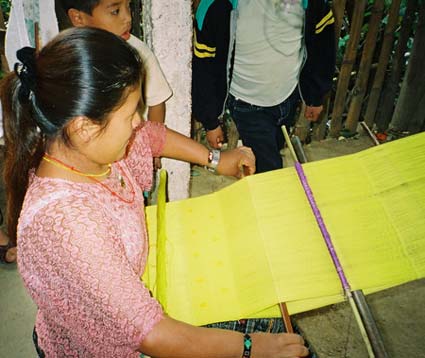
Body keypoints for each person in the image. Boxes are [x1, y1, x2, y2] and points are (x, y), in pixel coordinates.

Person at [1, 27, 309, 357]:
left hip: (134, 306)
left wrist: (216, 159)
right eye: (132, 112)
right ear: (84, 126)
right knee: (278, 335)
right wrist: (249, 348)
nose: (138, 122)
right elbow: (152, 334)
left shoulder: (87, 150)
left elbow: (151, 136)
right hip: (104, 348)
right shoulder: (67, 223)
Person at [192, 0, 336, 172]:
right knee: (269, 169)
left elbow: (322, 46)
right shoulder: (216, 6)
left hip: (288, 96)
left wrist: (315, 97)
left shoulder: (311, 4)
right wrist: (210, 122)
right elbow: (203, 68)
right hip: (247, 103)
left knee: (273, 149)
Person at [60, 0, 172, 169]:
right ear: (78, 18)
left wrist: (153, 149)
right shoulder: (69, 58)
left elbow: (156, 102)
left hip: (130, 151)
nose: (128, 18)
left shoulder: (138, 53)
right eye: (115, 11)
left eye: (129, 6)